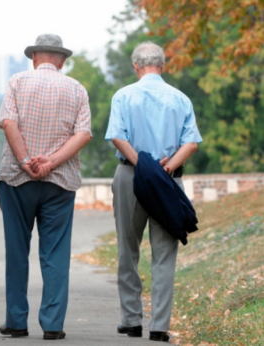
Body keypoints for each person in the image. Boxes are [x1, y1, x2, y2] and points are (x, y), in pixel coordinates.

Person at [0, 34, 92, 340]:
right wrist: (49, 162)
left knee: (16, 251)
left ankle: (16, 321)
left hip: (16, 179)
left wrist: (26, 161)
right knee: (55, 254)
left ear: (34, 57)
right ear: (61, 61)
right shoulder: (76, 88)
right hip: (60, 183)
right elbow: (83, 135)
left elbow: (8, 122)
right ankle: (52, 325)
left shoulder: (16, 82)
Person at [105, 42, 202, 342]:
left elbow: (117, 138)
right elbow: (192, 143)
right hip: (168, 180)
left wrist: (143, 165)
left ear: (136, 66)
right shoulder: (180, 98)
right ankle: (159, 327)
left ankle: (131, 320)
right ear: (163, 65)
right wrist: (166, 167)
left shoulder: (123, 96)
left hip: (131, 176)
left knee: (127, 250)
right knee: (164, 255)